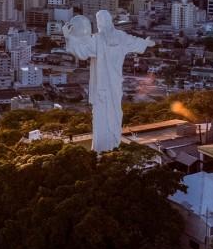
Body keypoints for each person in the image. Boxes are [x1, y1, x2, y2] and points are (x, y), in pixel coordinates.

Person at [63, 10, 155, 153]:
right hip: (115, 83)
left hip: (101, 86)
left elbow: (82, 53)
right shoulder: (121, 37)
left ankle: (103, 148)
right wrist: (146, 42)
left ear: (99, 23)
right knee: (114, 111)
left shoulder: (97, 39)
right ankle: (112, 143)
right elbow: (135, 42)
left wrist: (69, 38)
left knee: (101, 115)